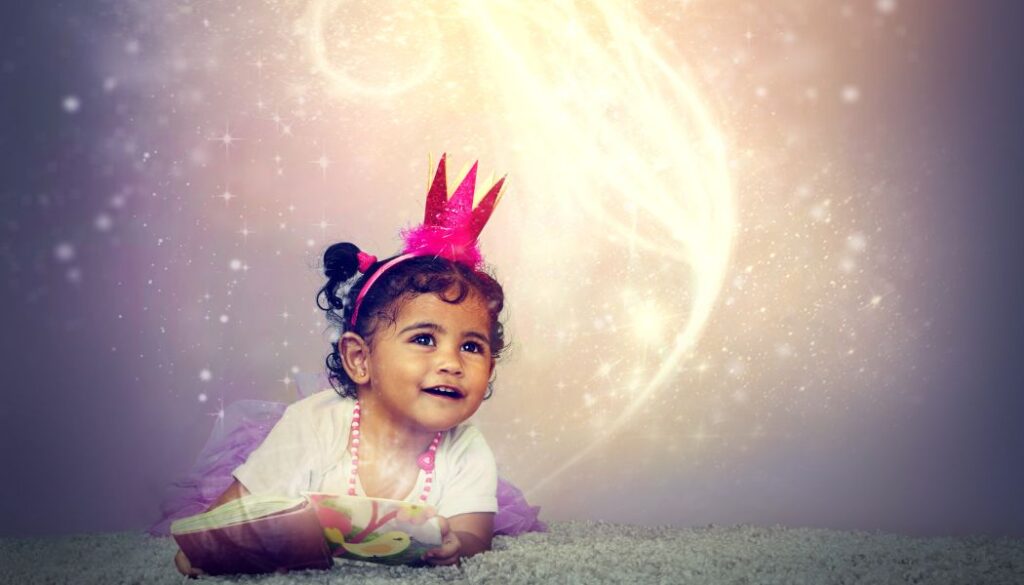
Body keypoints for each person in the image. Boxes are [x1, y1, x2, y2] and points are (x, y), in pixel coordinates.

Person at [169, 155, 544, 577]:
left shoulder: (465, 449)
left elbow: (474, 534)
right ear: (360, 359)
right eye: (424, 339)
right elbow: (230, 515)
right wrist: (211, 548)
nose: (451, 363)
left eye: (472, 346)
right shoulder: (312, 426)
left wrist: (458, 545)